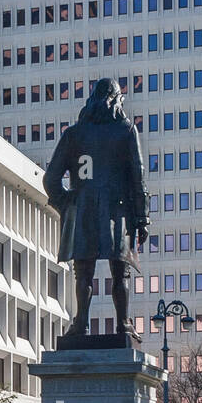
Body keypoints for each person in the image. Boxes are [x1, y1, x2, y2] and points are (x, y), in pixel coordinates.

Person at [43, 78, 149, 342]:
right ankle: (123, 324)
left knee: (83, 272)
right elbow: (138, 176)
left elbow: (51, 179)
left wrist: (67, 203)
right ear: (116, 100)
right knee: (120, 271)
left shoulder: (73, 135)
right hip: (118, 210)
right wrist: (142, 217)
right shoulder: (125, 130)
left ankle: (81, 323)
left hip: (84, 209)